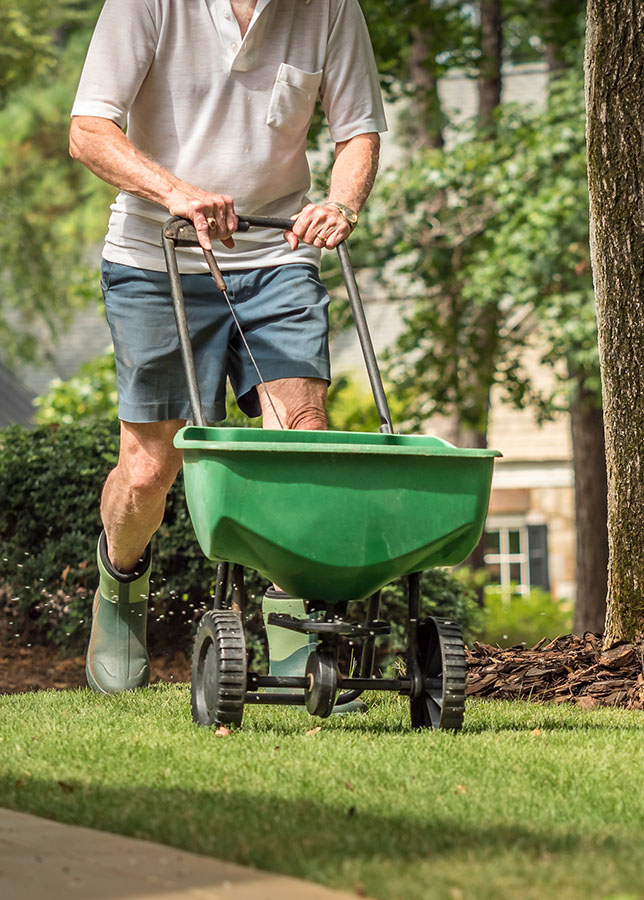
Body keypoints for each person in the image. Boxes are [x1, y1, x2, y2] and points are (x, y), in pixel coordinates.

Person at [69, 0, 387, 695]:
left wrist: (341, 204)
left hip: (279, 253)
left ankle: (293, 633)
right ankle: (121, 585)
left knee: (298, 440)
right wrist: (175, 190)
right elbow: (90, 131)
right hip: (158, 256)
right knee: (150, 468)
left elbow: (358, 131)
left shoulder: (330, 8)